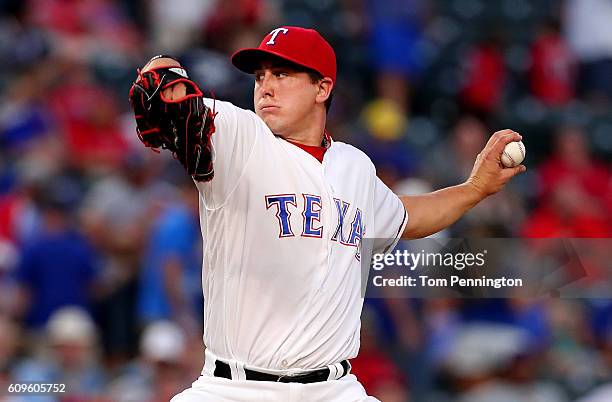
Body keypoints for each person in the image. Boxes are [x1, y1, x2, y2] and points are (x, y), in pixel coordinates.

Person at [133, 26, 525, 402]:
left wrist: (474, 189)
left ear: (323, 87)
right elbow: (161, 91)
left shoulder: (354, 166)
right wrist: (165, 71)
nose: (265, 86)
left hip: (333, 390)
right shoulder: (240, 138)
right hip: (236, 389)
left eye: (282, 74)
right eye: (260, 76)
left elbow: (407, 215)